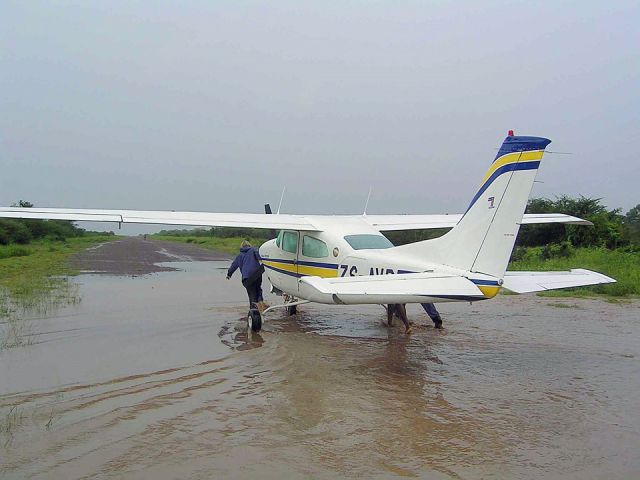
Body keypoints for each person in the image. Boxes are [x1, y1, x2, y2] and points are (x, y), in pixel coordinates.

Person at [227, 240, 267, 312]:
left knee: (251, 294)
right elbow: (259, 255)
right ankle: (261, 304)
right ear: (249, 245)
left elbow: (233, 266)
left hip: (247, 278)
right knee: (258, 289)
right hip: (257, 274)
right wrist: (262, 261)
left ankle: (253, 311)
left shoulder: (239, 256)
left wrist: (229, 275)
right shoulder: (253, 249)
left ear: (241, 247)